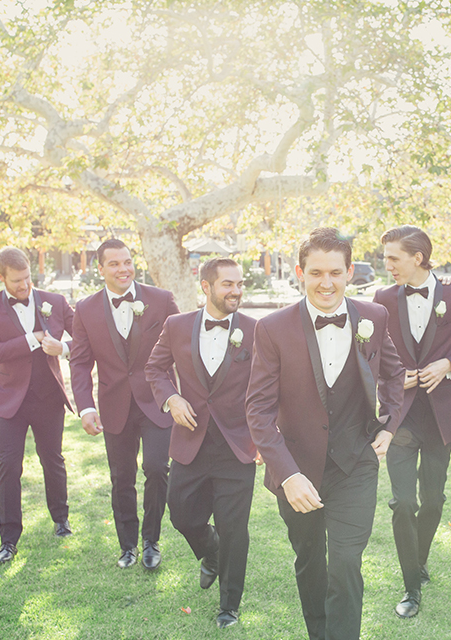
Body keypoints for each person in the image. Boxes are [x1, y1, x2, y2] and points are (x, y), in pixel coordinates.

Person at [246, 227, 405, 640]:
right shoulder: (272, 327)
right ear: (300, 272)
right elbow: (258, 410)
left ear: (350, 272)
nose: (326, 283)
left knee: (347, 562)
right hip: (297, 469)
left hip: (355, 464)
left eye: (335, 272)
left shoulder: (373, 317)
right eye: (316, 272)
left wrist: (389, 424)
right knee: (310, 560)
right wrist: (288, 473)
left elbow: (393, 372)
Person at [373, 226, 451, 618]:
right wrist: (392, 377)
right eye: (386, 257)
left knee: (433, 501)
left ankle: (418, 560)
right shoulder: (382, 299)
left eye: (393, 258)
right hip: (400, 417)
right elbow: (368, 353)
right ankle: (411, 587)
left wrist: (449, 365)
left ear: (418, 258)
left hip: (441, 418)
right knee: (402, 501)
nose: (387, 265)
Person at [145, 258, 260, 629]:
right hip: (190, 441)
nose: (236, 291)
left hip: (237, 444)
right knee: (180, 512)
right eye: (228, 284)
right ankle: (210, 553)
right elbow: (155, 368)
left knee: (234, 527)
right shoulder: (176, 325)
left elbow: (271, 384)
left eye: (240, 284)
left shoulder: (257, 330)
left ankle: (229, 604)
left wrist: (265, 434)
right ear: (206, 286)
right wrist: (171, 399)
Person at [69, 239, 179, 570]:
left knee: (158, 468)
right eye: (114, 264)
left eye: (128, 262)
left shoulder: (161, 300)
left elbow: (183, 348)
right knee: (122, 476)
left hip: (157, 401)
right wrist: (86, 407)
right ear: (100, 269)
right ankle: (128, 545)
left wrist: (186, 398)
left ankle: (151, 541)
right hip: (114, 404)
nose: (123, 269)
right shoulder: (85, 309)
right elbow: (79, 362)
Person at [0, 247, 75, 564]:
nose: (24, 287)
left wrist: (62, 346)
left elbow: (84, 338)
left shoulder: (56, 302)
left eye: (27, 279)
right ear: (1, 277)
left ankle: (61, 520)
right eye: (17, 281)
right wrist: (34, 339)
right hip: (10, 402)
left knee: (53, 459)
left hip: (48, 399)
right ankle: (8, 540)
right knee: (9, 466)